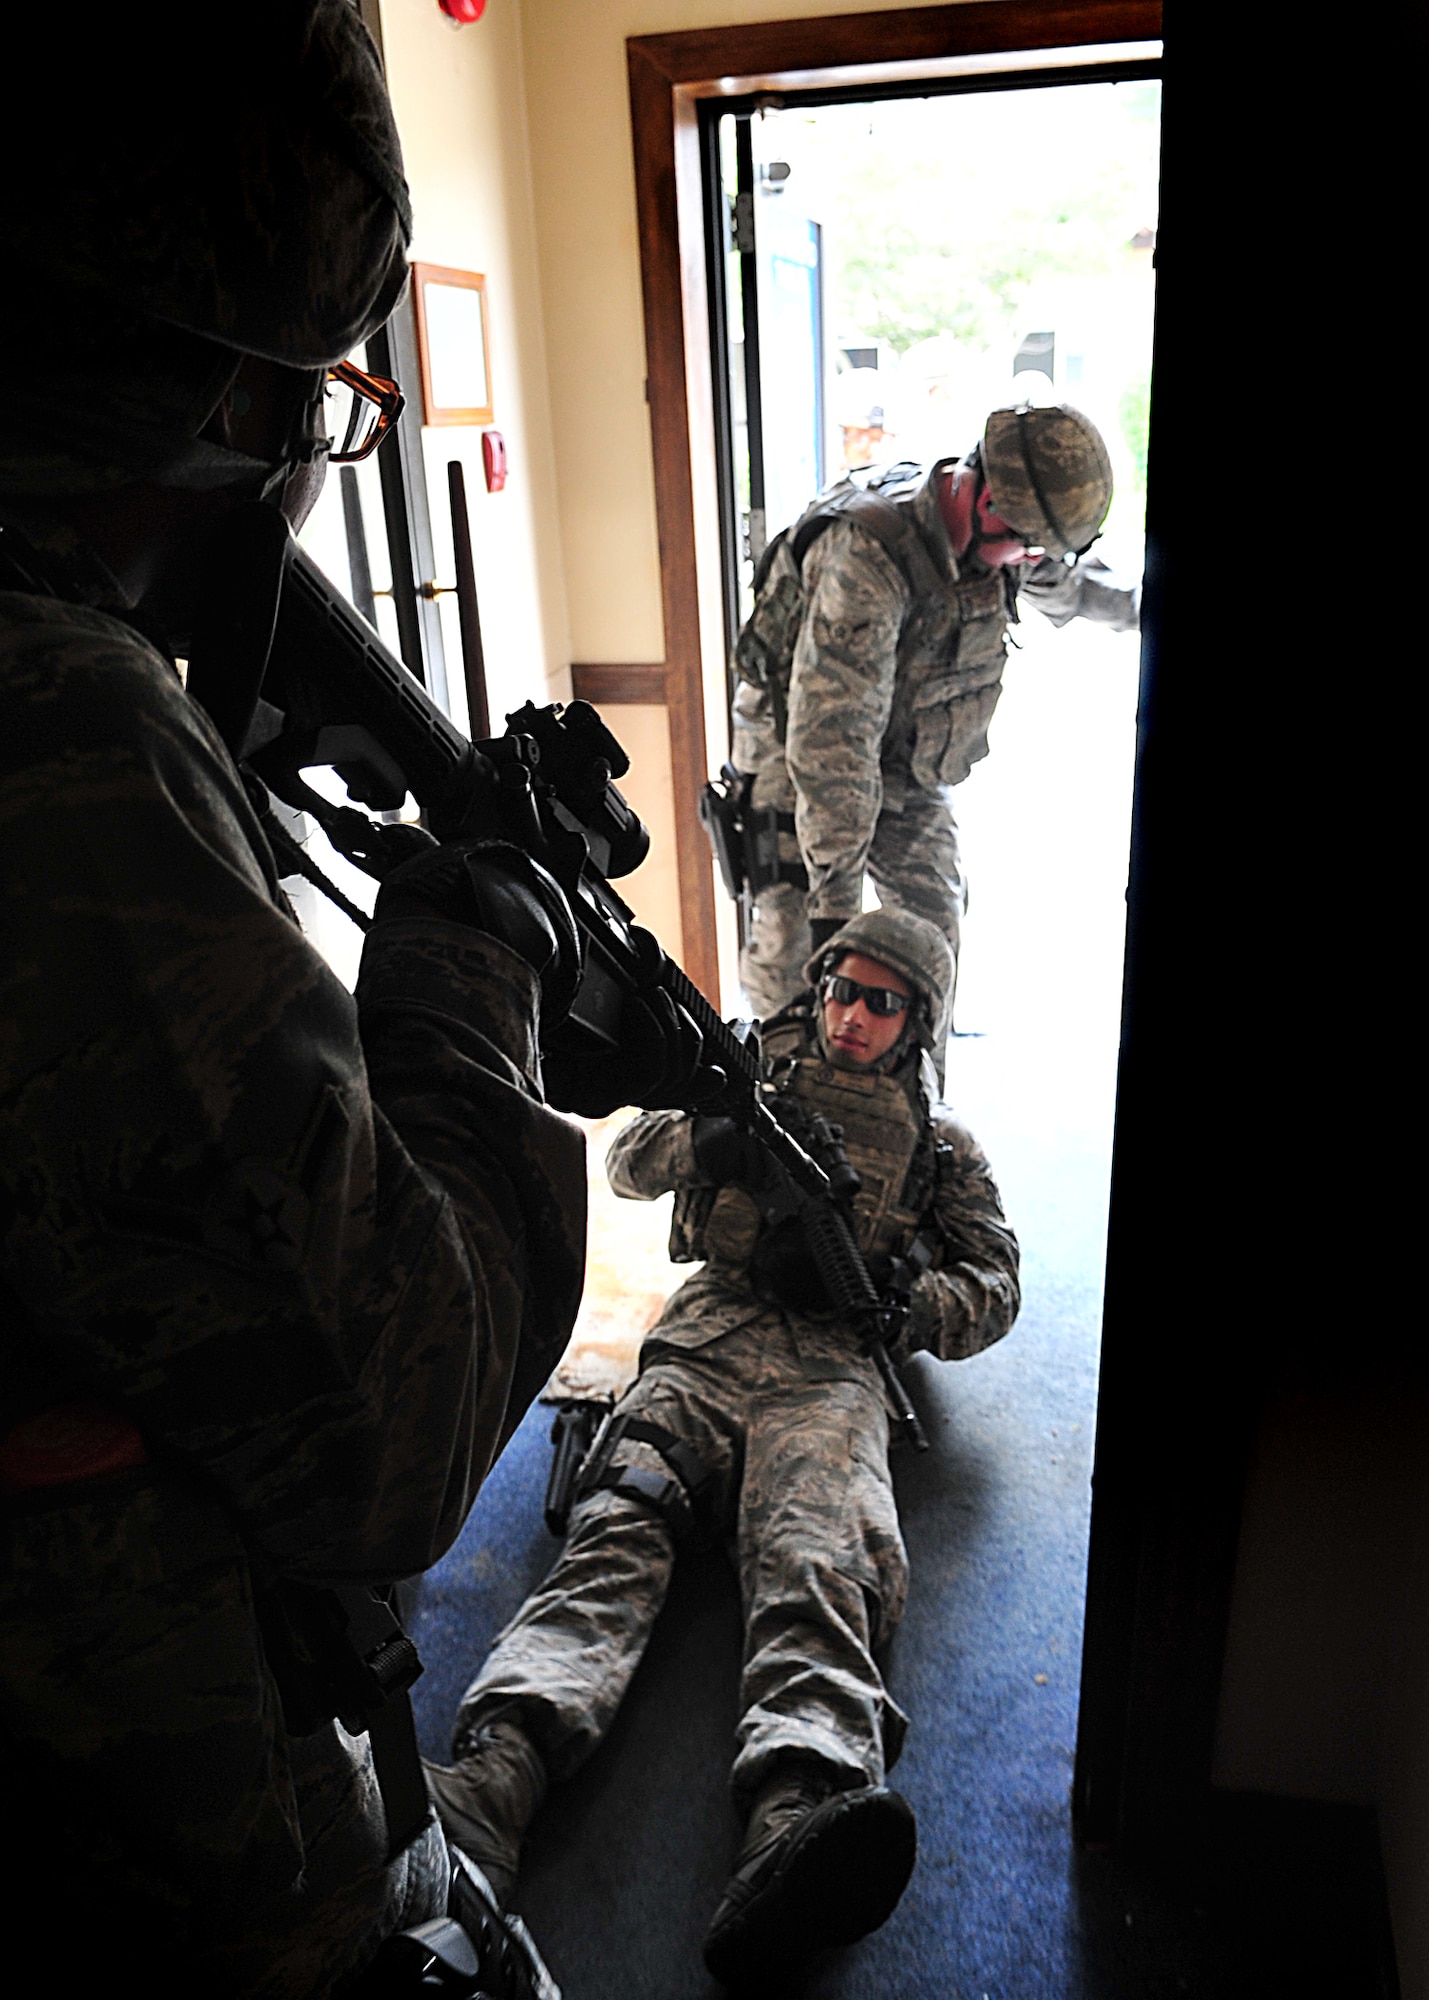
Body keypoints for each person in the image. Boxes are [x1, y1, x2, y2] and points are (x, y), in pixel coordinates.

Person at [0, 9, 699, 1992]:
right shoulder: (61, 728)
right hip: (139, 1807)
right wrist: (477, 960)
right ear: (229, 388)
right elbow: (394, 1419)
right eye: (313, 399)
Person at [423, 908, 1021, 1988]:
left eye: (881, 1002)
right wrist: (712, 1140)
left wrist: (906, 1301)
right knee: (620, 1522)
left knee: (820, 1557)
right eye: (839, 988)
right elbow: (625, 1160)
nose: (851, 1015)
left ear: (918, 1019)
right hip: (707, 1332)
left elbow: (995, 1281)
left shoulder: (940, 1145)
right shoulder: (745, 1077)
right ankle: (496, 1776)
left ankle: (798, 1811)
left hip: (831, 1366)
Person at [727, 400, 1141, 1023]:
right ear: (987, 503)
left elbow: (1077, 586)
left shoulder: (1001, 536)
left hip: (904, 760)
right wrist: (836, 923)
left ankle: (917, 1085)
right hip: (799, 760)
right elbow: (833, 750)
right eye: (1030, 549)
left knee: (930, 942)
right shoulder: (865, 557)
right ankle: (775, 1080)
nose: (1034, 563)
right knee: (801, 969)